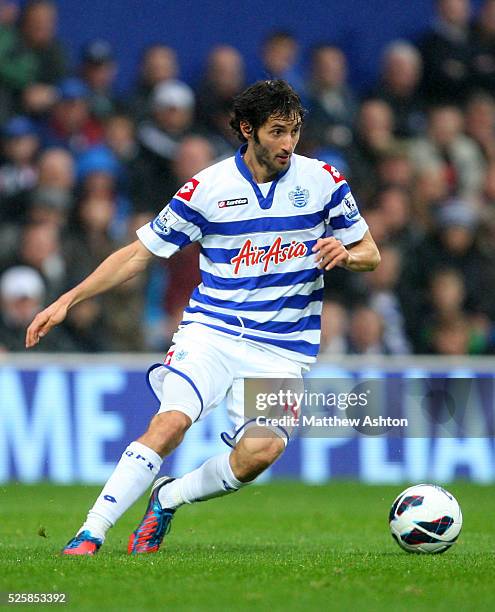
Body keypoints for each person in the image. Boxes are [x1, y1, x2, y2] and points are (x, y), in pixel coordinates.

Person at [25, 79, 380, 556]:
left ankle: (169, 497)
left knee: (260, 452)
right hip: (212, 333)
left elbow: (370, 252)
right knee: (170, 422)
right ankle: (92, 531)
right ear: (247, 129)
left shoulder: (324, 181)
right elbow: (138, 255)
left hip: (281, 347)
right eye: (277, 131)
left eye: (294, 131)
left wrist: (347, 254)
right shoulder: (207, 189)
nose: (288, 143)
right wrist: (67, 299)